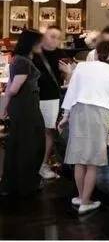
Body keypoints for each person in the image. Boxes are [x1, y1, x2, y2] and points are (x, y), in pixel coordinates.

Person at [58, 41, 109, 214]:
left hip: (78, 111)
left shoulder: (82, 67)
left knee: (79, 159)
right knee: (92, 161)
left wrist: (65, 116)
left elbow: (71, 92)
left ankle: (81, 197)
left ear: (95, 53)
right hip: (99, 114)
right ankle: (85, 202)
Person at [0, 30, 45, 197]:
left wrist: (5, 107)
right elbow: (13, 88)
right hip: (25, 107)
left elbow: (10, 88)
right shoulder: (23, 62)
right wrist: (6, 104)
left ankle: (14, 184)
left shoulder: (19, 59)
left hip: (22, 106)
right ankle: (25, 184)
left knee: (19, 144)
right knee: (29, 144)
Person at [33, 26, 72, 180]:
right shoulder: (34, 53)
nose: (55, 40)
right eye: (51, 36)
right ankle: (32, 163)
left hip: (51, 98)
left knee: (48, 131)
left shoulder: (61, 54)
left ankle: (43, 164)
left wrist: (68, 73)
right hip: (33, 97)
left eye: (57, 37)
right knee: (34, 132)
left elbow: (68, 80)